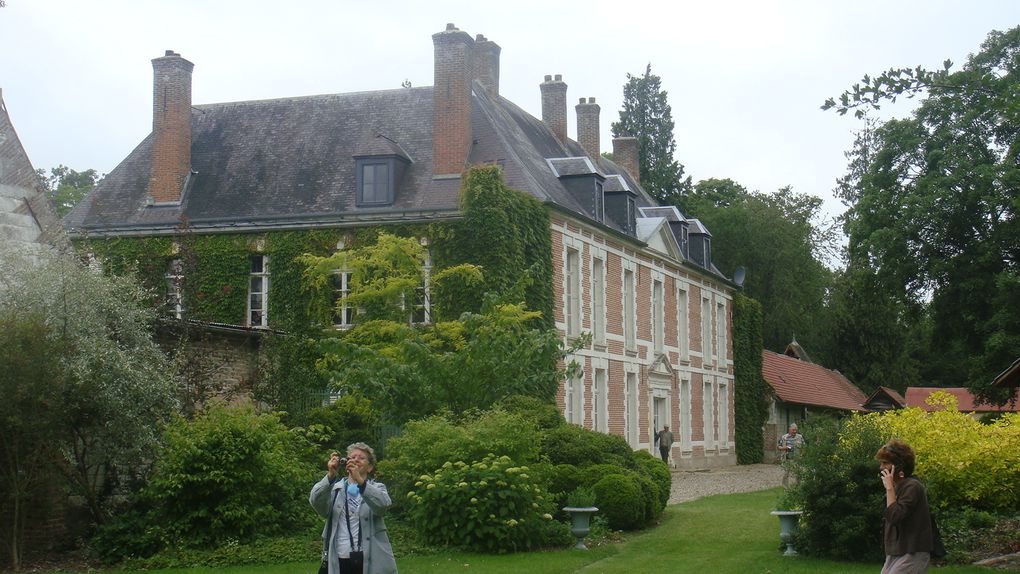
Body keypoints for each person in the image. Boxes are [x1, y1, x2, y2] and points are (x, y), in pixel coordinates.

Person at [310, 442, 397, 574]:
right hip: (339, 557)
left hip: (370, 559)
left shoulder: (377, 488)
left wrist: (360, 481)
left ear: (370, 467)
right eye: (352, 457)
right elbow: (316, 501)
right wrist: (331, 475)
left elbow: (382, 506)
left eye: (361, 458)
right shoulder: (335, 489)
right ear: (346, 464)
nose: (356, 459)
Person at [876, 439, 933, 574]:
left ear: (899, 466)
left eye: (885, 463)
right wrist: (891, 489)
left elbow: (895, 516)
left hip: (913, 552)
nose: (881, 468)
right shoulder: (897, 487)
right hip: (897, 552)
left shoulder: (913, 486)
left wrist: (889, 489)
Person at [778, 423, 805, 487]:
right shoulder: (784, 437)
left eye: (796, 430)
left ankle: (798, 486)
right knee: (786, 473)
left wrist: (802, 455)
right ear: (789, 430)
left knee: (798, 473)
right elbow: (778, 446)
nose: (794, 431)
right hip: (786, 459)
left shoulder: (800, 437)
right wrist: (784, 448)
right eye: (793, 430)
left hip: (797, 458)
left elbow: (804, 447)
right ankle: (785, 487)